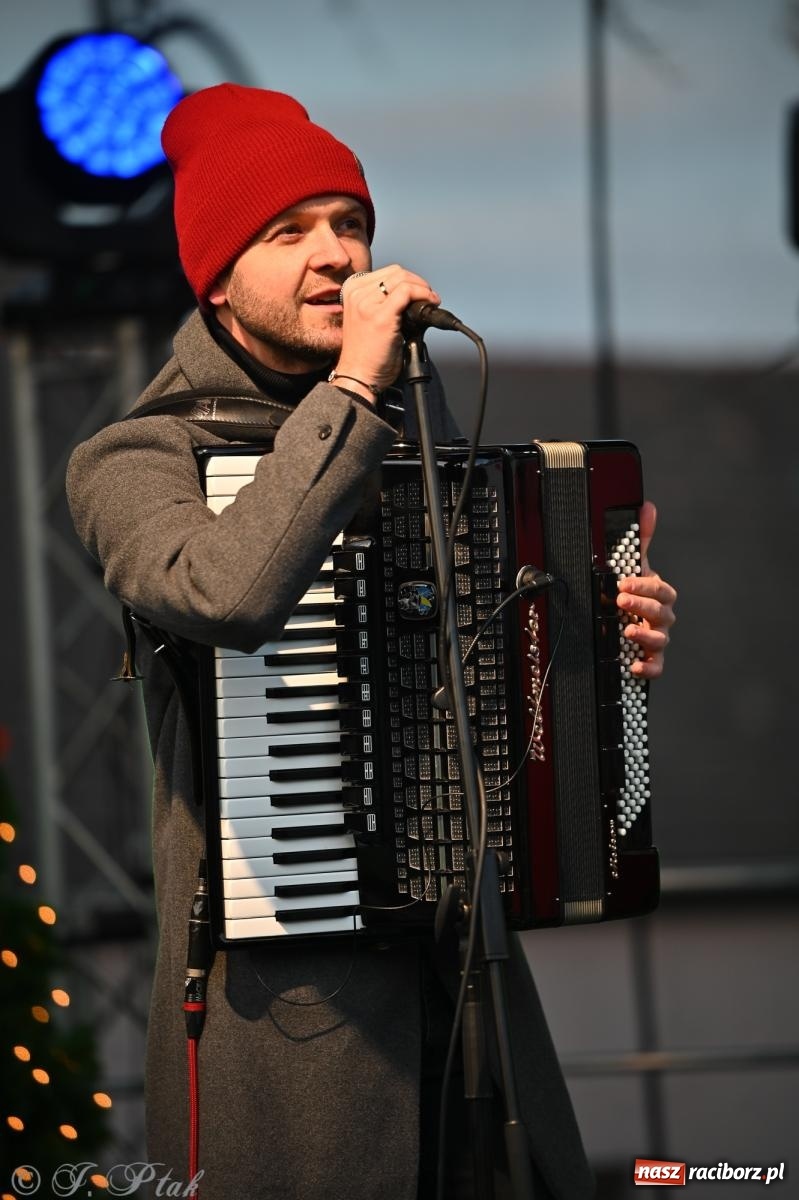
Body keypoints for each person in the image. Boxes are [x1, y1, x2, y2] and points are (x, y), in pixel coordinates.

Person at [67, 84, 676, 1200]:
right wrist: (353, 385)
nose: (337, 255)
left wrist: (601, 651)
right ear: (214, 276)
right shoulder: (132, 459)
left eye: (350, 223)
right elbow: (225, 593)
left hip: (467, 988)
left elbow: (489, 696)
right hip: (287, 1021)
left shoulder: (424, 435)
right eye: (287, 231)